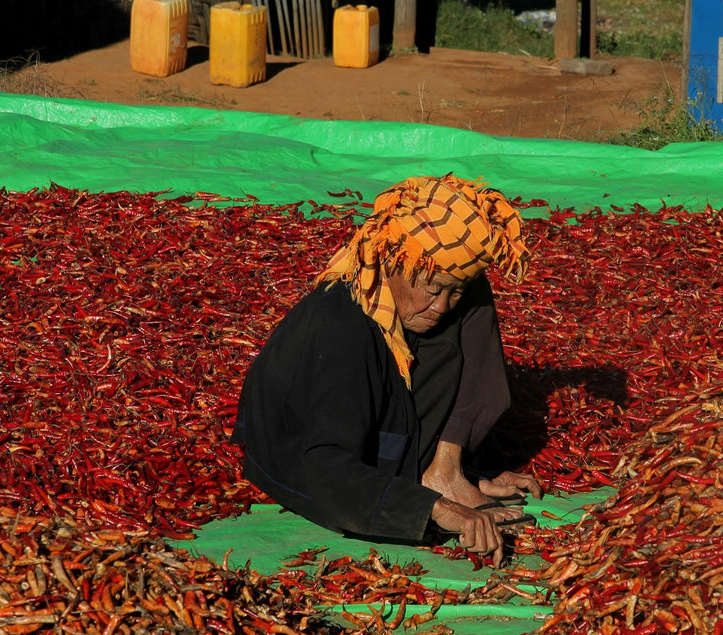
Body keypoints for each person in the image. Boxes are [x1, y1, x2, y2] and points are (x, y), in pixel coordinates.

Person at [232, 174, 542, 566]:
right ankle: (426, 479)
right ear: (395, 259)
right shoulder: (340, 326)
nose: (443, 305)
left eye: (453, 290)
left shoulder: (424, 305)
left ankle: (441, 469)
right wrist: (430, 508)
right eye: (433, 288)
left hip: (390, 442)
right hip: (308, 460)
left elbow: (454, 300)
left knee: (474, 295)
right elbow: (324, 469)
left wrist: (453, 464)